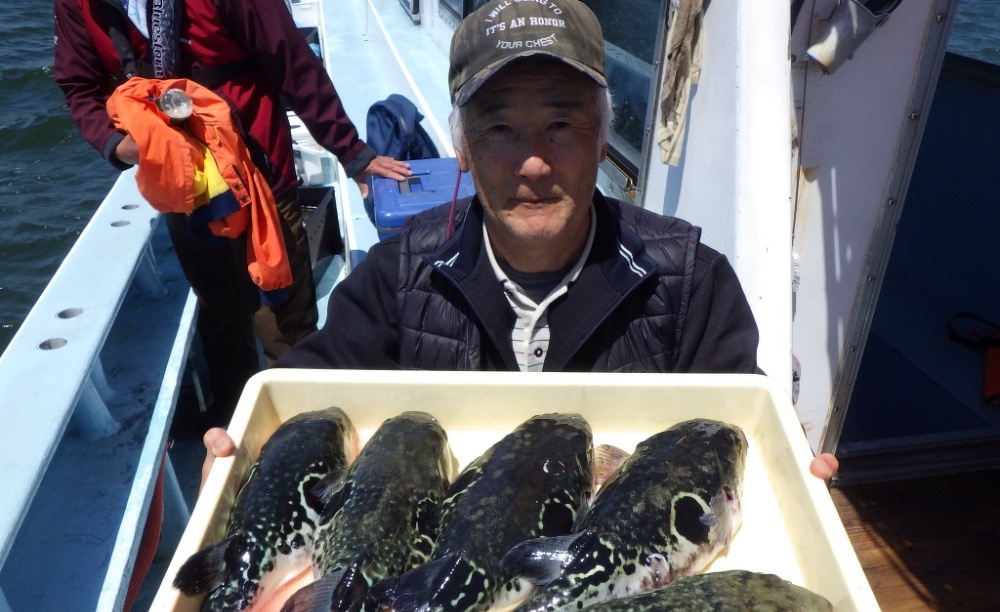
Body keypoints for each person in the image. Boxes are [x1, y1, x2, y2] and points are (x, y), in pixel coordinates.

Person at [201, 0, 840, 481]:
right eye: (500, 129)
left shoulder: (692, 283)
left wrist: (789, 473)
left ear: (602, 138)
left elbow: (743, 436)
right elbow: (300, 401)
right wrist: (244, 460)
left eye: (561, 124)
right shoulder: (396, 279)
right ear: (462, 147)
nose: (533, 163)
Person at [53, 0, 410, 425]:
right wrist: (115, 143)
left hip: (259, 174)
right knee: (219, 311)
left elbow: (291, 59)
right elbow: (80, 85)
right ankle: (234, 423)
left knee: (283, 317)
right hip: (181, 184)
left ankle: (306, 424)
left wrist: (352, 153)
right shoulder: (79, 4)